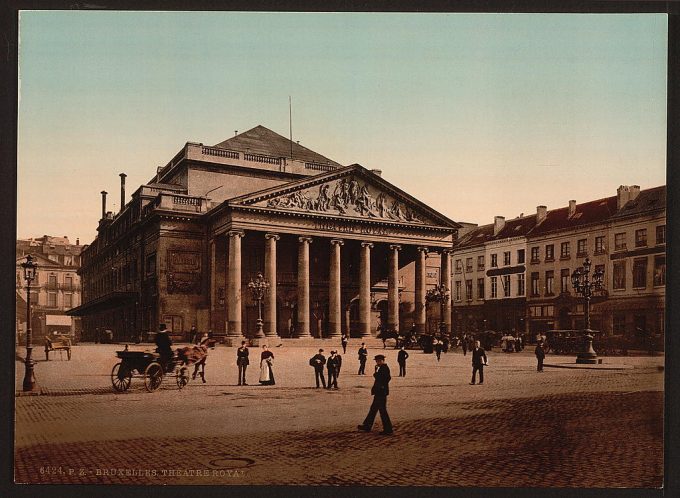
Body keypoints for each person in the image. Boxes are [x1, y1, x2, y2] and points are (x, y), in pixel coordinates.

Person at [358, 354, 393, 435]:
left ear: (382, 361)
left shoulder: (384, 368)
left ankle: (388, 429)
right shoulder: (381, 367)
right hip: (379, 392)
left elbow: (386, 378)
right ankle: (367, 425)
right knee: (373, 409)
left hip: (381, 392)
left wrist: (376, 373)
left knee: (382, 411)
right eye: (377, 361)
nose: (377, 362)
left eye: (378, 361)